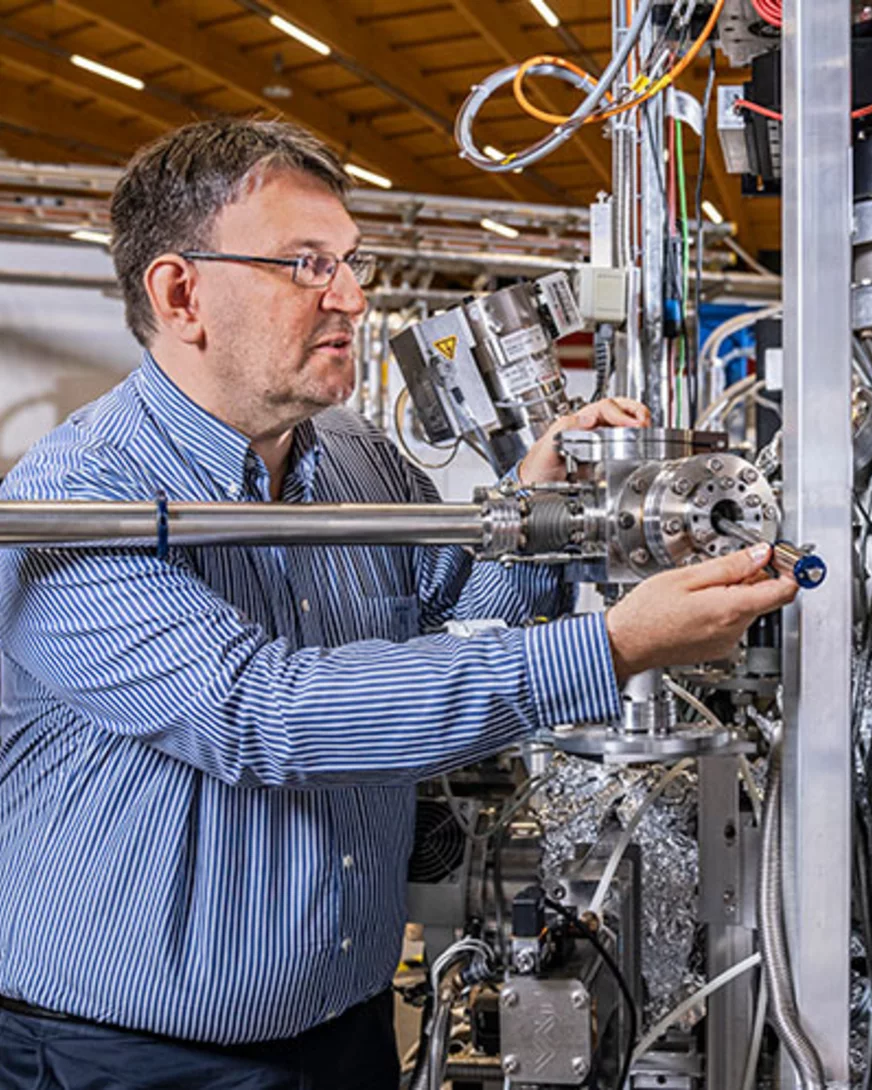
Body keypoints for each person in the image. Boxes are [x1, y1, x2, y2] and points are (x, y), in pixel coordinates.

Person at [0, 119, 795, 1089]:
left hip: (347, 1029)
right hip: (125, 1055)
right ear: (181, 293)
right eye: (305, 263)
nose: (353, 296)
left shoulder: (355, 457)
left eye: (350, 261)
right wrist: (613, 648)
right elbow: (268, 715)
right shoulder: (78, 501)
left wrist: (537, 507)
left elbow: (458, 619)